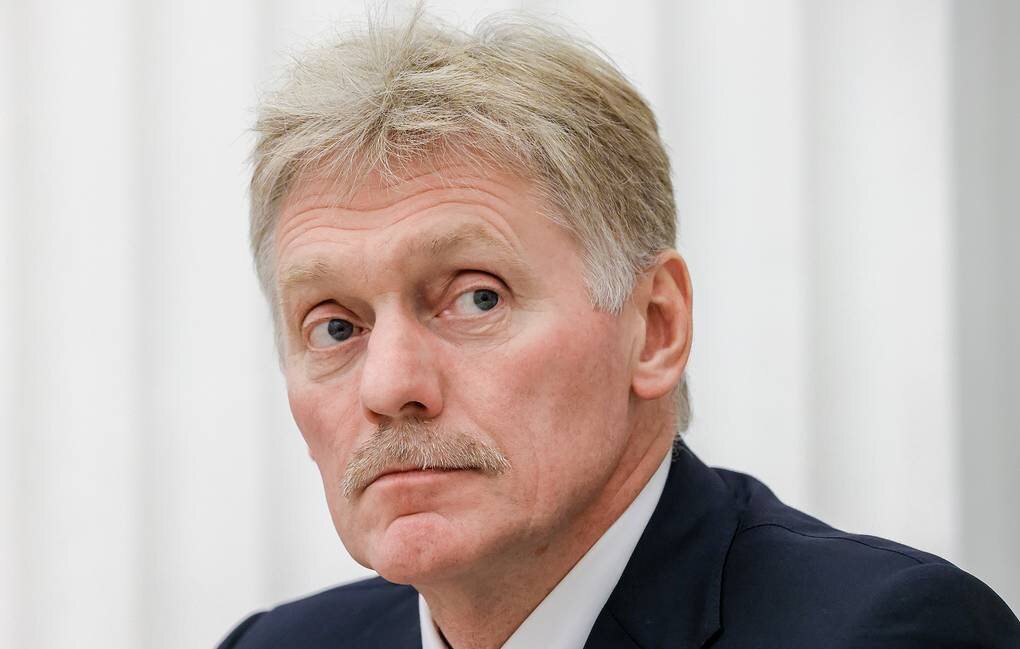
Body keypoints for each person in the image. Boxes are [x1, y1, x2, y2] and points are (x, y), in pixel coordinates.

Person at [218, 9, 1020, 649]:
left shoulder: (889, 632)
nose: (390, 384)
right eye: (335, 327)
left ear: (656, 327)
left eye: (477, 298)